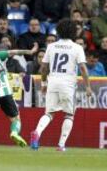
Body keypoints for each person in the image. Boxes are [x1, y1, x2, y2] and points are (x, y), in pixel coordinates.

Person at [30, 19, 92, 152]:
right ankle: (61, 145)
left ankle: (37, 132)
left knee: (49, 113)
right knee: (69, 114)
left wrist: (44, 83)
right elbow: (83, 68)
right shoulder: (77, 47)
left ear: (59, 30)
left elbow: (44, 67)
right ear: (73, 32)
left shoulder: (51, 46)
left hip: (53, 82)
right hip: (68, 84)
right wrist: (87, 86)